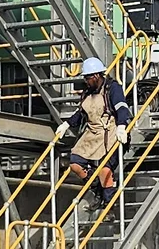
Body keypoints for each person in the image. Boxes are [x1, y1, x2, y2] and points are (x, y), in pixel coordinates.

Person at [55, 57, 132, 208]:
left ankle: (109, 206)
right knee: (75, 163)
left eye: (87, 78)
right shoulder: (87, 93)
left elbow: (122, 107)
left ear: (96, 76)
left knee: (105, 169)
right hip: (92, 133)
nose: (86, 81)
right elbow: (81, 113)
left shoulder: (112, 88)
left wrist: (122, 126)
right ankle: (96, 187)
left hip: (112, 132)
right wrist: (66, 124)